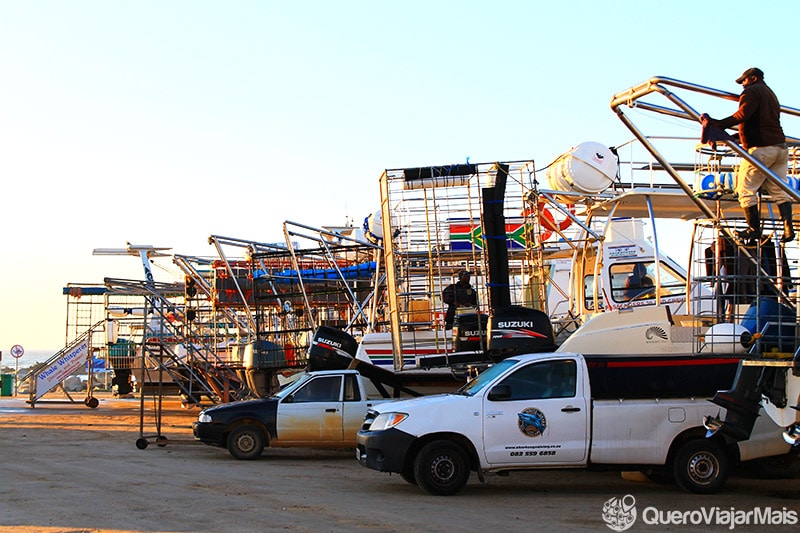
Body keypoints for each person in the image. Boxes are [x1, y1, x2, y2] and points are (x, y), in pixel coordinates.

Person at [705, 68, 794, 243]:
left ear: (753, 79)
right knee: (779, 191)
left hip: (761, 149)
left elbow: (743, 114)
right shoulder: (771, 94)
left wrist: (718, 125)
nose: (742, 86)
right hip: (780, 149)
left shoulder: (752, 91)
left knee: (745, 190)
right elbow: (762, 121)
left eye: (744, 82)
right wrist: (738, 136)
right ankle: (788, 229)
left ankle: (754, 230)